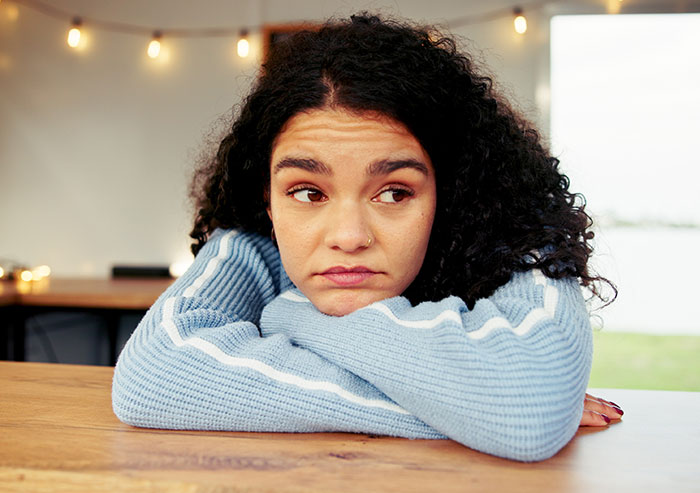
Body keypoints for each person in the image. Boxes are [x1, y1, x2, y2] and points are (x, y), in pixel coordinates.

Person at [112, 13, 622, 462]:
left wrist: (298, 317)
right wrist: (460, 409)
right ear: (268, 199)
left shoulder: (520, 243)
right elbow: (152, 375)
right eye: (308, 192)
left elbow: (525, 408)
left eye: (395, 193)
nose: (349, 237)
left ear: (450, 193)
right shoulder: (254, 240)